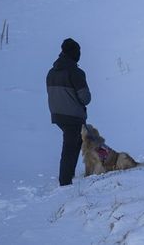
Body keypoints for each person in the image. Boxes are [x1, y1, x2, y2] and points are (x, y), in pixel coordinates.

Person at [46, 38, 91, 186]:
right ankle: (65, 182)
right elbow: (85, 98)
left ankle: (69, 175)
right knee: (70, 148)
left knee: (76, 142)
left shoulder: (51, 72)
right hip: (73, 116)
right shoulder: (76, 73)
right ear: (74, 53)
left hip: (57, 115)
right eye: (78, 52)